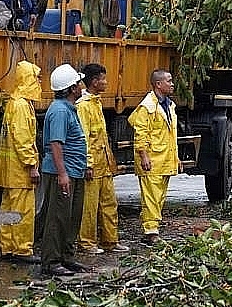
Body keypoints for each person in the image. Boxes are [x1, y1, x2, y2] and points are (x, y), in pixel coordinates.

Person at [38, 64, 90, 277]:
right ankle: (51, 261)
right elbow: (56, 144)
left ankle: (67, 257)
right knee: (57, 217)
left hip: (73, 171)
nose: (81, 86)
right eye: (79, 83)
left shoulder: (69, 108)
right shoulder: (59, 111)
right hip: (63, 172)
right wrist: (62, 174)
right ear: (71, 88)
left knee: (71, 216)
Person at [0, 61, 42, 264]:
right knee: (23, 211)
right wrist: (31, 165)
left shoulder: (14, 102)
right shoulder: (22, 106)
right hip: (20, 171)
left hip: (8, 170)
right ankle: (22, 250)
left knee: (8, 210)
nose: (39, 81)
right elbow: (22, 138)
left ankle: (8, 247)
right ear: (28, 79)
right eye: (37, 77)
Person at [77, 63, 129, 255]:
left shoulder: (95, 102)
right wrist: (88, 163)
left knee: (109, 203)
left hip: (104, 163)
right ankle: (87, 243)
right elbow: (84, 137)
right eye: (103, 79)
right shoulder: (83, 106)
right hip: (93, 165)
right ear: (94, 81)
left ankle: (110, 240)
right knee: (89, 207)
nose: (106, 83)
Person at [127, 69, 179, 246]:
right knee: (151, 197)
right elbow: (140, 133)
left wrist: (176, 158)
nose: (172, 84)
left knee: (158, 197)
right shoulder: (147, 106)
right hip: (152, 160)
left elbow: (171, 135)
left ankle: (152, 227)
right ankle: (150, 231)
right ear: (158, 84)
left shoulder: (168, 105)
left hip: (163, 159)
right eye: (169, 81)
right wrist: (143, 155)